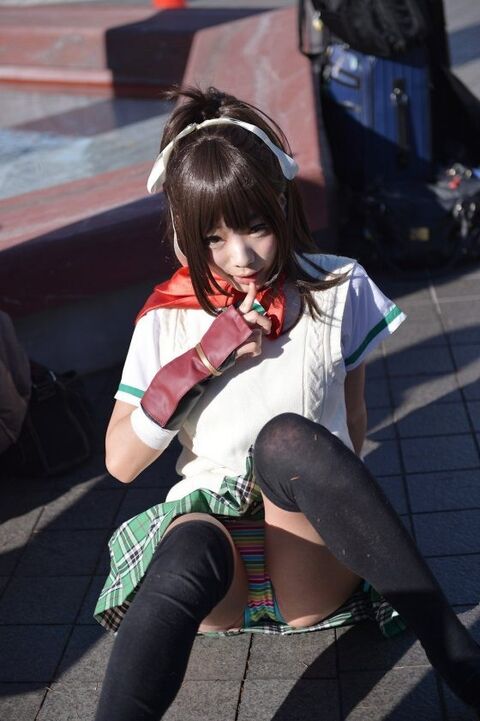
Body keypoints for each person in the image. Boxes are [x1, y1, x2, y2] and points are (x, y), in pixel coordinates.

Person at [93, 86, 480, 721]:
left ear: (282, 204)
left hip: (308, 556)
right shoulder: (167, 317)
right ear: (184, 234)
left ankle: (458, 658)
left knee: (286, 439)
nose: (241, 257)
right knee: (186, 546)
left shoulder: (339, 287)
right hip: (215, 566)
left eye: (256, 227)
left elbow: (351, 428)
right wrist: (199, 363)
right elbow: (120, 463)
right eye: (214, 238)